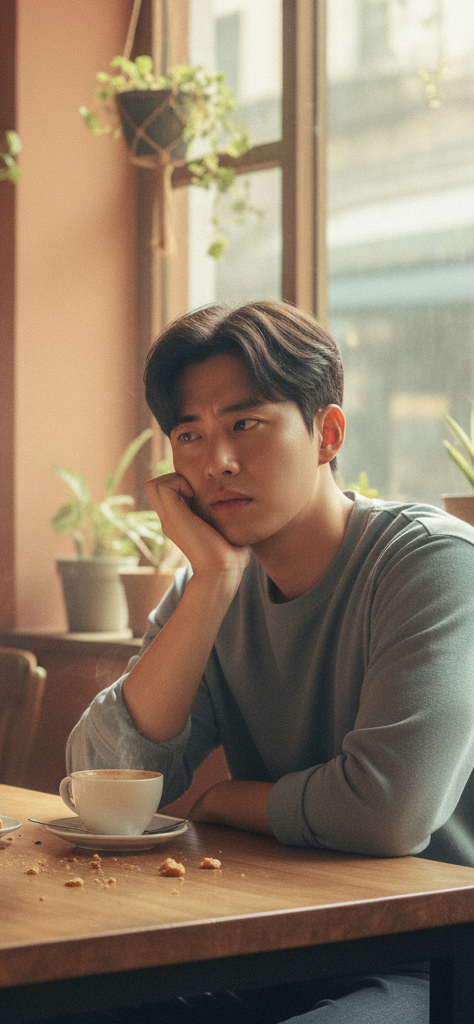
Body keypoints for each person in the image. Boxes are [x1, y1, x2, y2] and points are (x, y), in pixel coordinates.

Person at [67, 300, 474, 1023]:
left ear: (328, 433)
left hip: (430, 958)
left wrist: (226, 800)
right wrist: (214, 582)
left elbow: (389, 812)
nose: (215, 460)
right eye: (189, 434)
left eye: (245, 424)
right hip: (273, 941)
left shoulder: (433, 566)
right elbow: (102, 781)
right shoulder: (211, 586)